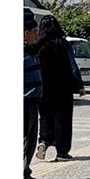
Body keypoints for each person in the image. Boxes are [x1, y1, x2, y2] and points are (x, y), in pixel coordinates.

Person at [35, 15, 85, 162]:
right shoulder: (62, 44)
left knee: (45, 116)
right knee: (62, 119)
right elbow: (72, 65)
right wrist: (79, 85)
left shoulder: (38, 46)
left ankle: (44, 141)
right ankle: (62, 151)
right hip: (63, 89)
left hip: (44, 88)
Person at [24, 9, 45, 179]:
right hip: (23, 103)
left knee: (30, 141)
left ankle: (25, 173)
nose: (37, 36)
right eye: (35, 32)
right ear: (25, 33)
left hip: (33, 102)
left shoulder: (31, 51)